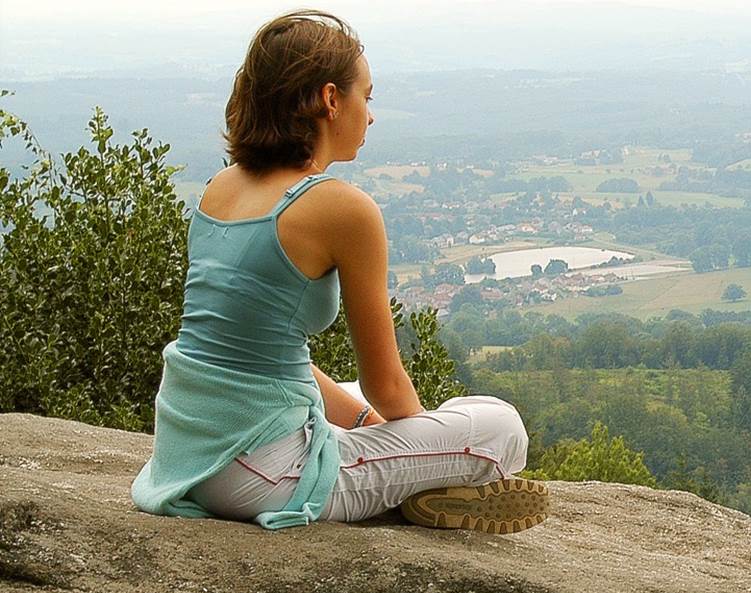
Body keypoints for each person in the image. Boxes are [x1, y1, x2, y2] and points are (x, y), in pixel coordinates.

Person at [130, 11, 548, 534]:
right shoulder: (342, 209)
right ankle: (423, 491)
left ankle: (408, 480)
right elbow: (388, 386)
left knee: (367, 402)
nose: (370, 116)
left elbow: (259, 359)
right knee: (500, 428)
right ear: (331, 100)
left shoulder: (222, 188)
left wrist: (372, 429)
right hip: (267, 474)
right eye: (366, 97)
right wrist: (409, 443)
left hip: (189, 456)